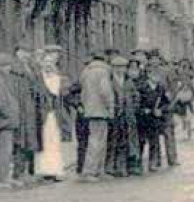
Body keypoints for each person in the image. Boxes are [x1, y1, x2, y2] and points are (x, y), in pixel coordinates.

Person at [34, 48, 72, 180]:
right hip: (43, 114)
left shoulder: (58, 79)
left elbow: (63, 96)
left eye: (51, 62)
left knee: (54, 141)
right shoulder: (38, 78)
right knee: (43, 141)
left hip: (55, 114)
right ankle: (44, 170)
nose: (48, 65)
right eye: (46, 62)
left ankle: (55, 169)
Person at [78, 51, 115, 181]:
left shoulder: (86, 72)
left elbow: (82, 92)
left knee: (94, 140)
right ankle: (92, 171)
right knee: (98, 141)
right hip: (101, 110)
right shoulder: (103, 72)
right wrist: (111, 106)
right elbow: (105, 90)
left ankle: (96, 170)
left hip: (90, 109)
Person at [11, 45, 45, 183]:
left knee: (32, 140)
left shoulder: (33, 68)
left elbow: (38, 86)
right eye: (23, 52)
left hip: (33, 108)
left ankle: (31, 171)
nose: (25, 55)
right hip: (22, 108)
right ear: (17, 53)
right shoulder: (15, 70)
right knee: (21, 140)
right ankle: (19, 172)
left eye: (27, 52)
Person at [0, 52, 23, 185]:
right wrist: (10, 114)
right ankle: (3, 177)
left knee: (1, 149)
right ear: (1, 67)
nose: (9, 69)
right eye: (7, 66)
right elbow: (0, 102)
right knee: (4, 150)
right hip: (4, 122)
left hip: (2, 121)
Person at [108, 55, 143, 177]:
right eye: (117, 67)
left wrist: (134, 107)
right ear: (112, 68)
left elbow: (136, 96)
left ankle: (132, 166)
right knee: (116, 142)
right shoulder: (110, 81)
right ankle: (117, 167)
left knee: (131, 141)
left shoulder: (129, 81)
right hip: (115, 116)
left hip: (129, 116)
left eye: (122, 67)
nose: (119, 70)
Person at [135, 54, 170, 171]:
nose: (156, 76)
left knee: (154, 141)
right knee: (141, 141)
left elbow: (166, 103)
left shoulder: (161, 88)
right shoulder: (141, 88)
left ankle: (152, 163)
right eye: (153, 74)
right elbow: (136, 103)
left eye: (158, 74)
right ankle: (138, 163)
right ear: (148, 75)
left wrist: (161, 110)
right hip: (143, 119)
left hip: (155, 119)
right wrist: (143, 110)